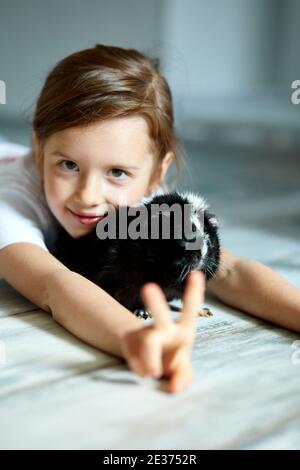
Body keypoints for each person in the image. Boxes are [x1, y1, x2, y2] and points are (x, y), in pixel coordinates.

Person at [0, 44, 299, 395]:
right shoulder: (11, 204)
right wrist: (137, 337)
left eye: (116, 172)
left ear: (157, 173)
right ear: (39, 150)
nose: (88, 195)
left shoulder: (145, 201)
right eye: (68, 165)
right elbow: (53, 284)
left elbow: (226, 271)